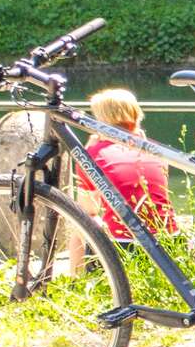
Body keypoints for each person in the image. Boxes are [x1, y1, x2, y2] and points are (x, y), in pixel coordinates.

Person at [70, 88, 178, 267]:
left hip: (126, 247)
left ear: (101, 121)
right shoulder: (155, 150)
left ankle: (76, 284)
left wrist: (88, 151)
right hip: (170, 244)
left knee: (80, 219)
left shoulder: (94, 155)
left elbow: (88, 209)